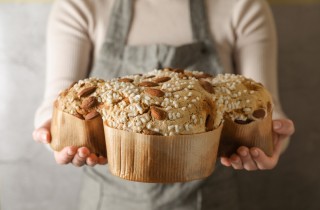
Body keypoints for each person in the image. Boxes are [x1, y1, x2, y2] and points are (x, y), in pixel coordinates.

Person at [32, 0, 295, 209]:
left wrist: (272, 136)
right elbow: (58, 103)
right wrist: (53, 133)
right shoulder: (80, 5)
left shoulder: (243, 6)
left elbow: (264, 106)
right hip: (108, 200)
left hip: (209, 200)